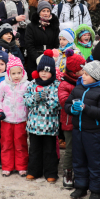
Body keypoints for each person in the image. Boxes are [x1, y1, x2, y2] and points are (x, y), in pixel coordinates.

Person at [65, 60, 100, 199]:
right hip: (78, 131)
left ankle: (96, 190)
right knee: (78, 160)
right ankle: (81, 187)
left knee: (95, 162)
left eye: (86, 74)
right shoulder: (77, 88)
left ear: (96, 76)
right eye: (83, 73)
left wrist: (85, 108)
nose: (82, 76)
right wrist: (71, 109)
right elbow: (67, 104)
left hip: (94, 133)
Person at [24, 50, 60, 183]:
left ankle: (51, 172)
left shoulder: (56, 85)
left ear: (52, 72)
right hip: (34, 125)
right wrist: (36, 97)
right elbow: (26, 101)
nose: (44, 73)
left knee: (49, 151)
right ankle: (34, 171)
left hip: (50, 125)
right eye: (41, 71)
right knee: (34, 150)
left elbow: (58, 104)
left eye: (47, 71)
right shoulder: (32, 84)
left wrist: (46, 98)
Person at [0, 55, 29, 177]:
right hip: (6, 119)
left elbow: (30, 101)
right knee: (6, 143)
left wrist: (29, 115)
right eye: (13, 73)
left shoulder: (27, 85)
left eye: (19, 73)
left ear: (23, 72)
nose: (17, 76)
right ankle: (7, 166)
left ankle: (21, 166)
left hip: (21, 120)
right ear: (9, 74)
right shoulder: (4, 85)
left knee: (21, 144)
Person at [58, 49, 86, 189]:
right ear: (75, 72)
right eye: (82, 69)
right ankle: (68, 172)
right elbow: (64, 101)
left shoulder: (83, 82)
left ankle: (80, 173)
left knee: (81, 148)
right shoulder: (64, 84)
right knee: (70, 149)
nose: (84, 71)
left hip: (82, 122)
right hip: (69, 122)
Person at [24, 0, 60, 75]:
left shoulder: (54, 26)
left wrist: (52, 57)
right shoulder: (31, 26)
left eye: (48, 11)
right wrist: (37, 58)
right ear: (39, 12)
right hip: (34, 60)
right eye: (43, 11)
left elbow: (57, 44)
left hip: (50, 59)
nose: (46, 13)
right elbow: (29, 44)